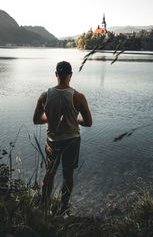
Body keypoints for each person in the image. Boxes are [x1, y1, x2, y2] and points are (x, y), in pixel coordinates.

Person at [33, 61, 92, 214]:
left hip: (52, 141)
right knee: (68, 174)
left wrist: (50, 119)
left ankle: (44, 205)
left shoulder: (44, 96)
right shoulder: (79, 97)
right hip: (72, 141)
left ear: (56, 75)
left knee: (49, 173)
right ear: (70, 75)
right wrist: (75, 120)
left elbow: (36, 120)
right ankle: (63, 207)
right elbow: (88, 122)